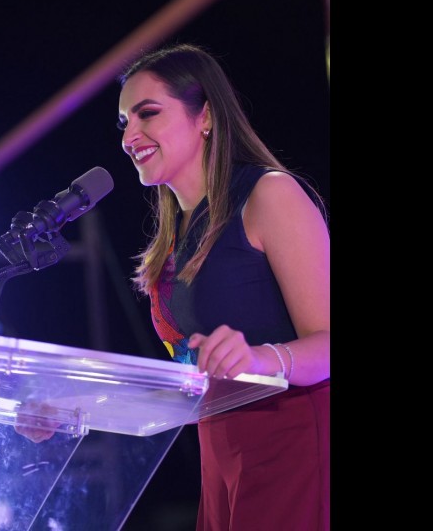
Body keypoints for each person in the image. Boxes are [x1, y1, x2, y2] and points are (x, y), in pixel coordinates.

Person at [116, 43, 330, 531]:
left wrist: (261, 359)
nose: (129, 136)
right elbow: (189, 379)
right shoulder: (176, 235)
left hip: (290, 441)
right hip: (221, 455)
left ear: (206, 116)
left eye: (147, 113)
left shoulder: (268, 194)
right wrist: (71, 412)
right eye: (124, 122)